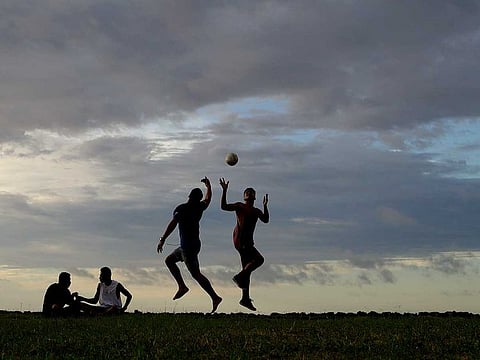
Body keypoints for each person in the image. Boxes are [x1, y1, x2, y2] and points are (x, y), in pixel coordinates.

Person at [157, 177, 222, 313]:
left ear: (189, 196)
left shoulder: (183, 208)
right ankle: (182, 286)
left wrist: (163, 238)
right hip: (191, 245)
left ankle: (215, 297)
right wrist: (209, 186)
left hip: (188, 248)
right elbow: (208, 199)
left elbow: (173, 224)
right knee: (169, 260)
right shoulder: (199, 207)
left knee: (196, 274)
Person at [220, 178, 269, 311]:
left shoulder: (256, 211)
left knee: (248, 269)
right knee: (259, 260)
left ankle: (245, 298)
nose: (249, 195)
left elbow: (266, 220)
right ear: (245, 196)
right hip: (241, 241)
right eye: (248, 193)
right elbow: (224, 207)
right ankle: (239, 277)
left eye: (251, 193)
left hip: (246, 242)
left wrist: (265, 206)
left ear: (253, 197)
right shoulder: (240, 206)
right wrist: (224, 191)